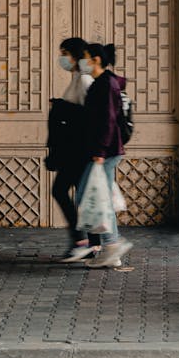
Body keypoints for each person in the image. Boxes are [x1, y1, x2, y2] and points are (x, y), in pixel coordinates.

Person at [75, 41, 133, 269]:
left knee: (88, 197)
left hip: (106, 151)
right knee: (97, 198)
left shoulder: (105, 84)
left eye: (86, 57)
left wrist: (99, 151)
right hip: (104, 150)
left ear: (96, 60)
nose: (84, 62)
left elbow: (107, 121)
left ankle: (113, 244)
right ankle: (112, 248)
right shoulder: (102, 83)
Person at [46, 37, 100, 263]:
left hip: (79, 151)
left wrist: (61, 108)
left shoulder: (85, 80)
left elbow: (89, 115)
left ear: (75, 56)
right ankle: (92, 243)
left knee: (62, 190)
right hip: (73, 150)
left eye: (65, 53)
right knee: (82, 196)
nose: (62, 59)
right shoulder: (78, 79)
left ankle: (84, 241)